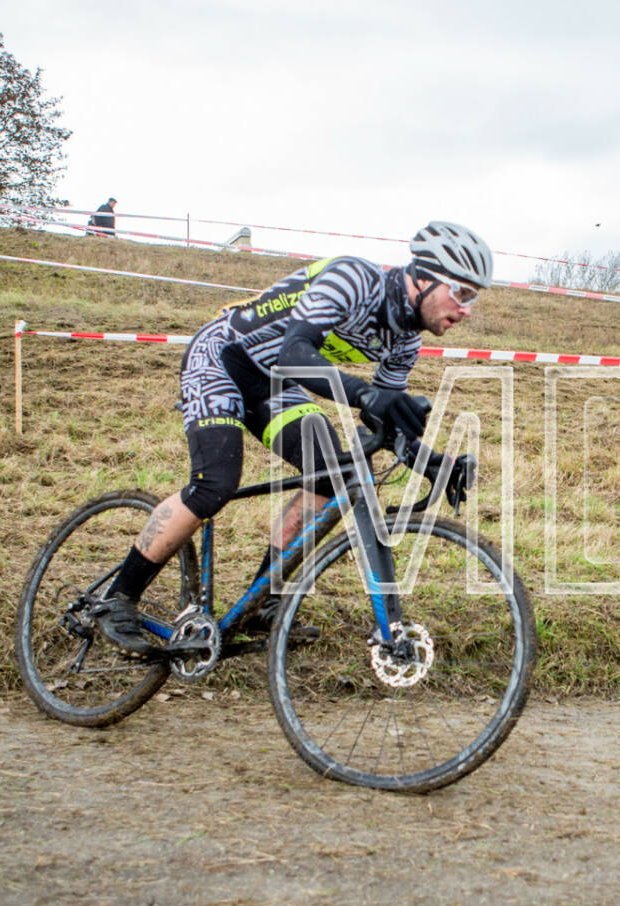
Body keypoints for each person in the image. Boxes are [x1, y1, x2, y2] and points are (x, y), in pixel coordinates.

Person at [90, 221, 489, 656]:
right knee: (215, 484)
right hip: (222, 358)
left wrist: (431, 460)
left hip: (273, 385)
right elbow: (294, 353)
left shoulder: (405, 341)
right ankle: (117, 599)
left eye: (474, 298)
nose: (467, 309)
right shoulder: (354, 278)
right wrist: (365, 393)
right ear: (424, 277)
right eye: (463, 293)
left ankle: (264, 604)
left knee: (328, 476)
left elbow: (387, 418)